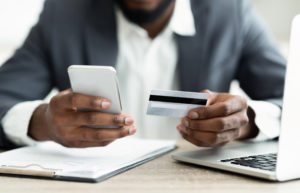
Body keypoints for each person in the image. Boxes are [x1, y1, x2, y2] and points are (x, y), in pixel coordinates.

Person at [0, 0, 286, 149]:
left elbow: (292, 101)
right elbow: (4, 99)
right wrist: (42, 123)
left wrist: (245, 123)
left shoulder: (231, 13)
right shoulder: (63, 14)